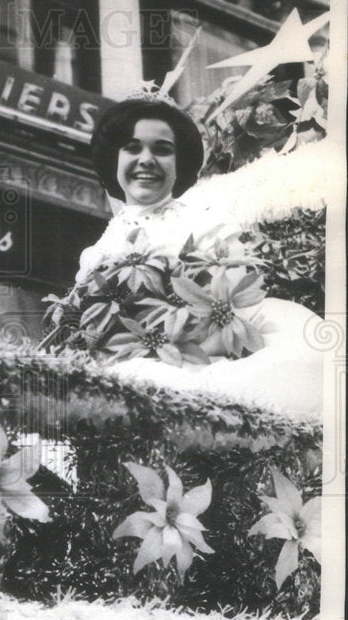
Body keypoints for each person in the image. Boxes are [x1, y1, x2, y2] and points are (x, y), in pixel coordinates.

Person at [64, 91, 324, 417]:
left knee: (314, 354)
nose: (146, 159)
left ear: (179, 163)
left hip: (226, 339)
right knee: (138, 380)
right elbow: (98, 335)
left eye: (162, 149)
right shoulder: (99, 255)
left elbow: (231, 306)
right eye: (132, 148)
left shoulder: (209, 217)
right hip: (154, 360)